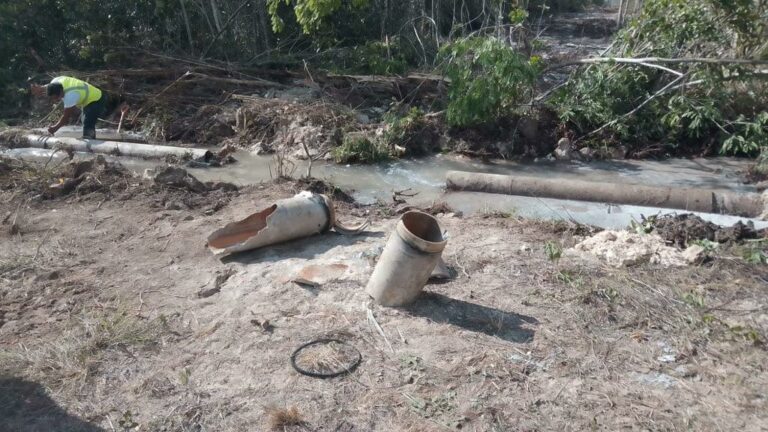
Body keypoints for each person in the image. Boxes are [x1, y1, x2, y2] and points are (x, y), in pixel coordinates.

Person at [31, 76, 127, 139]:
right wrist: (40, 88)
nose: (56, 100)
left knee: (88, 121)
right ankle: (89, 137)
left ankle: (90, 142)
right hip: (87, 99)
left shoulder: (71, 95)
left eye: (57, 98)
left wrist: (54, 128)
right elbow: (48, 86)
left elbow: (65, 118)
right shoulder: (55, 82)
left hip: (96, 99)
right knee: (83, 119)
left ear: (61, 92)